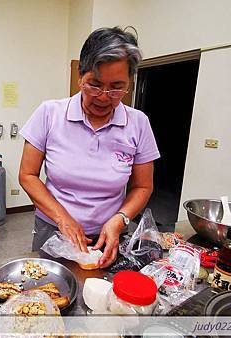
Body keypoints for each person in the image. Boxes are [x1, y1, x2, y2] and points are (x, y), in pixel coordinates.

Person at [19, 26, 160, 269]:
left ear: (130, 82)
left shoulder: (138, 123)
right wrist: (63, 220)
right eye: (94, 84)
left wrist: (120, 219)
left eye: (116, 86)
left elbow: (143, 186)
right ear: (79, 75)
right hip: (54, 229)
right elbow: (27, 175)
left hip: (111, 234)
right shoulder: (49, 113)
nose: (104, 96)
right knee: (54, 292)